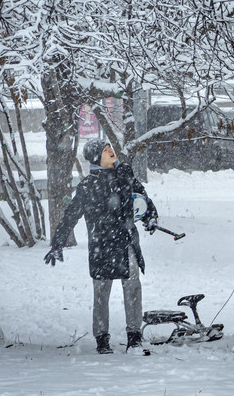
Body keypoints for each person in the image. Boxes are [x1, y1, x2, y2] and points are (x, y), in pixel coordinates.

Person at [44, 138, 158, 354]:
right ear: (97, 158)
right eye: (106, 151)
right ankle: (102, 339)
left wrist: (150, 217)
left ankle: (134, 337)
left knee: (132, 287)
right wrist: (57, 243)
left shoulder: (125, 175)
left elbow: (142, 199)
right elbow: (71, 215)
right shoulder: (88, 186)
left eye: (110, 149)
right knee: (101, 292)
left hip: (126, 243)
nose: (111, 152)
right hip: (102, 246)